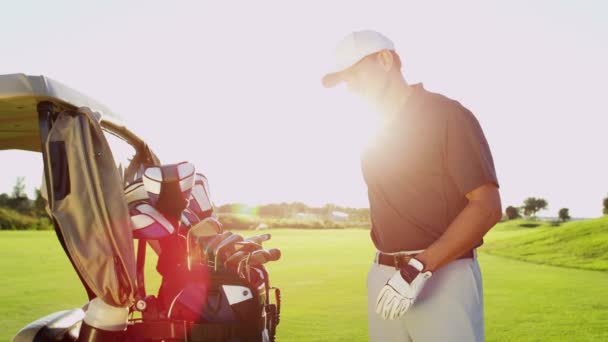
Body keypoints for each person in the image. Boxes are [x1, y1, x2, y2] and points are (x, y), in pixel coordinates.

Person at [322, 30, 502, 342]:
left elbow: (486, 207)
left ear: (385, 59)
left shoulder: (448, 115)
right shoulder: (370, 131)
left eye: (354, 75)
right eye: (344, 82)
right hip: (384, 276)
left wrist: (418, 267)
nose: (350, 88)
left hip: (444, 277)